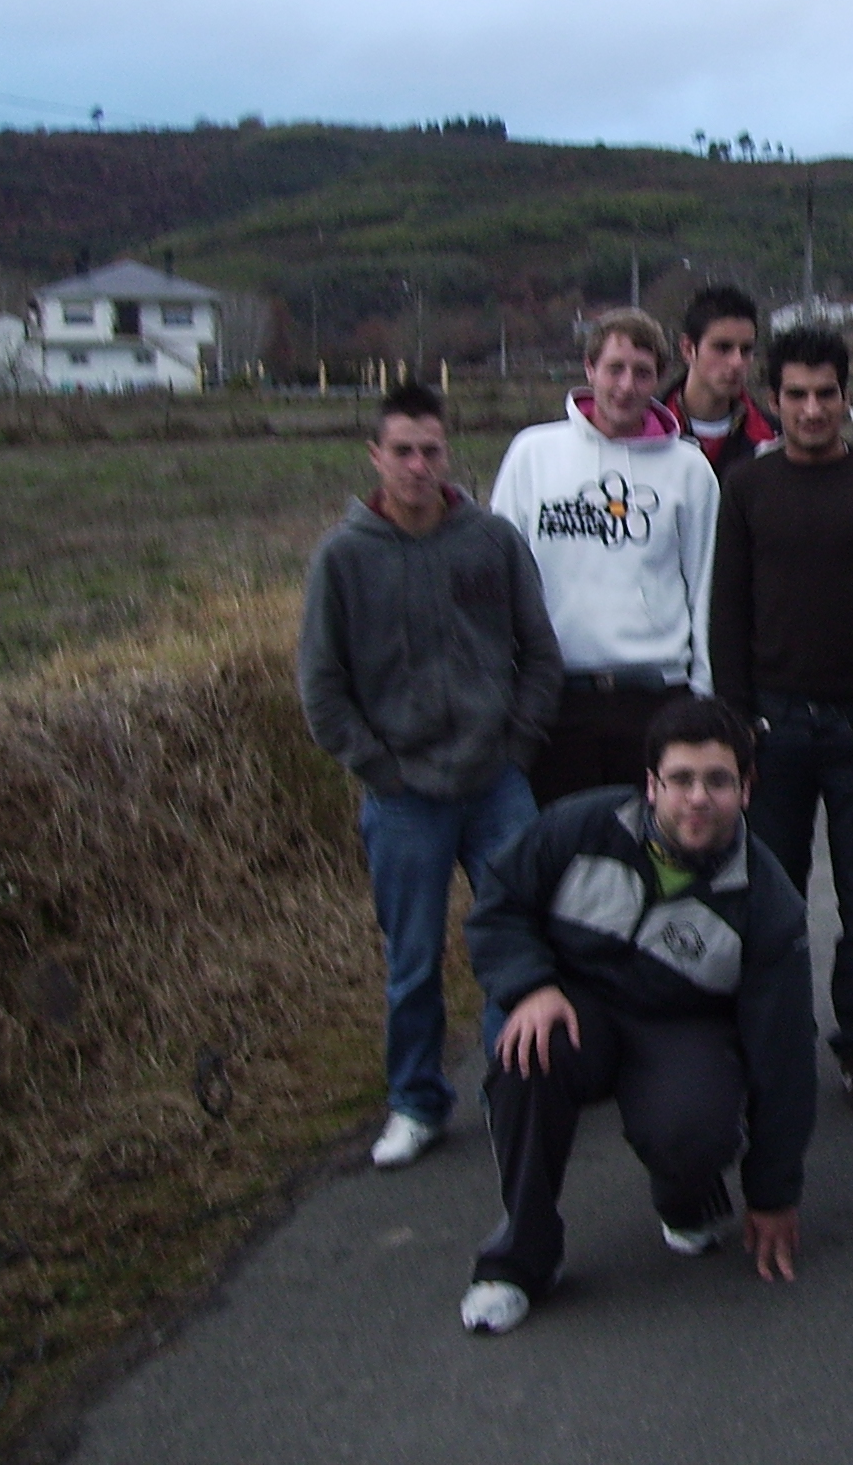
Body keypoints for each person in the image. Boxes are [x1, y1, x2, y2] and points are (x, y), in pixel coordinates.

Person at [457, 697, 817, 1336]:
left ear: (746, 788)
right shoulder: (580, 826)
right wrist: (530, 986)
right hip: (576, 1006)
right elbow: (500, 904)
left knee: (694, 1127)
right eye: (680, 779)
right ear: (651, 785)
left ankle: (686, 1199)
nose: (698, 798)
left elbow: (783, 1055)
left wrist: (773, 1193)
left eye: (718, 780)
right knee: (525, 1056)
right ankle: (521, 1260)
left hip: (682, 1026)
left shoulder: (768, 903)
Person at [297, 381, 564, 1169]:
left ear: (449, 454)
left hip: (496, 784)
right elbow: (322, 685)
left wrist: (517, 746)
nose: (418, 465)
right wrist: (378, 766)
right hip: (404, 796)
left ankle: (511, 1089)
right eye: (402, 451)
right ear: (375, 456)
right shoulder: (344, 558)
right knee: (412, 960)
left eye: (431, 450)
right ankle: (416, 1102)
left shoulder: (491, 541)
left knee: (518, 939)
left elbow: (539, 651)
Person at [711, 326, 853, 1114]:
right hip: (773, 725)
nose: (813, 408)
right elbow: (727, 612)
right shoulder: (746, 487)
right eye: (796, 395)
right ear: (774, 399)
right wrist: (737, 727)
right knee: (771, 899)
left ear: (847, 396)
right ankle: (775, 1044)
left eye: (827, 393)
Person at [490, 306, 719, 805]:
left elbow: (705, 586)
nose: (626, 385)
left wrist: (703, 696)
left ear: (658, 380)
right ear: (590, 369)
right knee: (566, 846)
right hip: (556, 700)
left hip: (655, 698)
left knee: (650, 846)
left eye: (642, 372)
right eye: (614, 368)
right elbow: (498, 580)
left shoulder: (689, 469)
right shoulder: (532, 455)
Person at [663, 284, 778, 471]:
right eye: (722, 348)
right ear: (687, 349)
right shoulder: (645, 434)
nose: (737, 362)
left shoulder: (774, 442)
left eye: (746, 350)